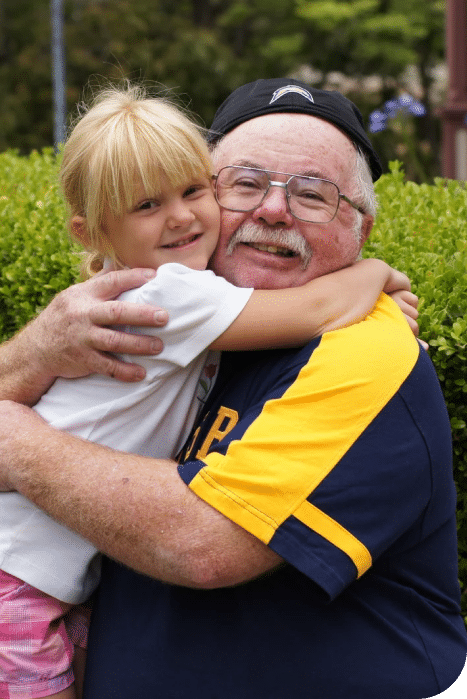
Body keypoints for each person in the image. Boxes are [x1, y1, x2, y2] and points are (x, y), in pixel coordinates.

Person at [0, 78, 465, 698]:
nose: (273, 211)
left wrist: (10, 436)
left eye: (313, 195)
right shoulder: (174, 317)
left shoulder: (362, 350)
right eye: (244, 184)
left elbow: (204, 545)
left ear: (363, 230)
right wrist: (30, 352)